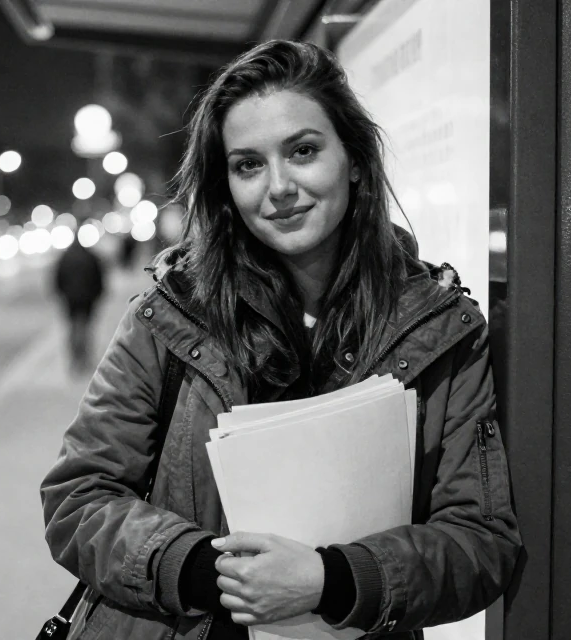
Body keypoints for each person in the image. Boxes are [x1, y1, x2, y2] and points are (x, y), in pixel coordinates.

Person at [41, 40, 521, 639]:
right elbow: (78, 498)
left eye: (302, 151)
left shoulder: (439, 326)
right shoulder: (168, 316)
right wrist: (205, 569)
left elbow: (481, 542)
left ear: (354, 159)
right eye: (248, 164)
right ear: (225, 186)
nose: (279, 187)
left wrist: (331, 580)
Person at [53, 236, 106, 373]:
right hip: (88, 299)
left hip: (71, 299)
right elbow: (99, 279)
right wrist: (97, 295)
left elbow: (57, 280)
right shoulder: (91, 257)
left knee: (73, 328)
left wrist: (62, 294)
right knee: (86, 328)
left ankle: (75, 359)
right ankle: (85, 359)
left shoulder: (65, 258)